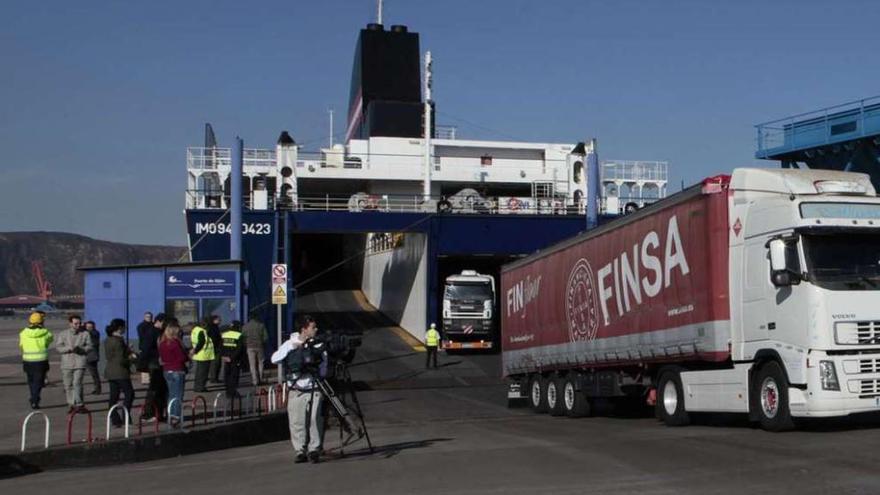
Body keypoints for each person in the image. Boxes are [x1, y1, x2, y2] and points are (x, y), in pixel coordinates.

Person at [271, 315, 327, 464]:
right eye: (313, 327)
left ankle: (314, 449)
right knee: (297, 422)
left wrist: (321, 375)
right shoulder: (290, 343)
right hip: (296, 389)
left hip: (314, 388)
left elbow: (324, 362)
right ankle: (300, 450)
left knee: (315, 419)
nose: (316, 329)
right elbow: (274, 359)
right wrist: (292, 348)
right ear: (304, 329)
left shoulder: (317, 344)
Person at [56, 314, 94, 412]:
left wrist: (82, 349)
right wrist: (68, 348)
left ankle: (79, 404)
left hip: (79, 362)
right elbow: (59, 347)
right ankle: (71, 404)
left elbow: (90, 346)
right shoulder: (63, 334)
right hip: (66, 363)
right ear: (70, 324)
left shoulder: (85, 334)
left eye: (79, 323)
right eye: (75, 323)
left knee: (77, 383)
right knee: (68, 385)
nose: (78, 325)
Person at [104, 318, 136, 427]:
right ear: (119, 328)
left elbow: (112, 355)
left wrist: (127, 349)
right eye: (124, 327)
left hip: (110, 371)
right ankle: (125, 417)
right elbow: (121, 359)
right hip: (120, 371)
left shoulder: (108, 339)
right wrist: (132, 358)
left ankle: (115, 419)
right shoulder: (118, 341)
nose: (125, 329)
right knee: (129, 394)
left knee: (114, 396)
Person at [19, 312, 53, 409]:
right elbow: (49, 341)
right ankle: (35, 399)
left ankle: (33, 397)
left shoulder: (23, 333)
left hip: (28, 361)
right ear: (41, 322)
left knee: (31, 381)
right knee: (39, 382)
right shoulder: (46, 333)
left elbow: (21, 346)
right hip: (41, 361)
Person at [159, 318, 188, 427]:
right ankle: (176, 417)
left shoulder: (162, 343)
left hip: (167, 370)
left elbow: (163, 357)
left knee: (171, 394)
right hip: (177, 370)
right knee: (178, 395)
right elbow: (181, 357)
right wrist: (188, 356)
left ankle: (170, 415)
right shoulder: (175, 343)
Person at [139, 313, 167, 421]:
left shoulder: (160, 332)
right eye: (164, 323)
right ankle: (148, 413)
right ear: (159, 321)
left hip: (159, 363)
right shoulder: (151, 332)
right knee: (154, 389)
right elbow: (146, 349)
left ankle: (159, 413)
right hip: (154, 363)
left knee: (161, 389)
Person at [220, 321, 245, 399]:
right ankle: (233, 392)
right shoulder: (239, 335)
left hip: (226, 359)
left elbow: (221, 347)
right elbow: (240, 349)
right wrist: (232, 357)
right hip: (235, 359)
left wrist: (224, 356)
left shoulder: (224, 335)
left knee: (227, 376)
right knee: (234, 376)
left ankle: (228, 392)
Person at [190, 316, 215, 393]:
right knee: (203, 373)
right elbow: (201, 342)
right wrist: (196, 350)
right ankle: (201, 387)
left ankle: (197, 386)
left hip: (199, 355)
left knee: (198, 373)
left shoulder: (195, 330)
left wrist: (195, 350)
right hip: (204, 355)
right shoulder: (202, 331)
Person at [242, 314, 268, 385]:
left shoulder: (245, 326)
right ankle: (261, 379)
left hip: (250, 347)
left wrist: (246, 344)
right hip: (259, 346)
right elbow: (265, 337)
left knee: (252, 364)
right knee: (261, 362)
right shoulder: (261, 325)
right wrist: (262, 343)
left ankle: (255, 380)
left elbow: (243, 337)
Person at [84, 320, 102, 395]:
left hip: (92, 356)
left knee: (94, 374)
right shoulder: (86, 333)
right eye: (87, 327)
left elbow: (92, 336)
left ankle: (97, 389)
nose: (89, 328)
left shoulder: (95, 333)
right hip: (86, 356)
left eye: (90, 327)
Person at [208, 315, 223, 383]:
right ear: (214, 320)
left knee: (216, 364)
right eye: (218, 319)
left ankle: (214, 377)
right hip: (215, 348)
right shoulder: (213, 328)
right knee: (216, 364)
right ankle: (214, 378)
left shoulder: (213, 327)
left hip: (215, 348)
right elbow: (214, 338)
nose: (220, 321)